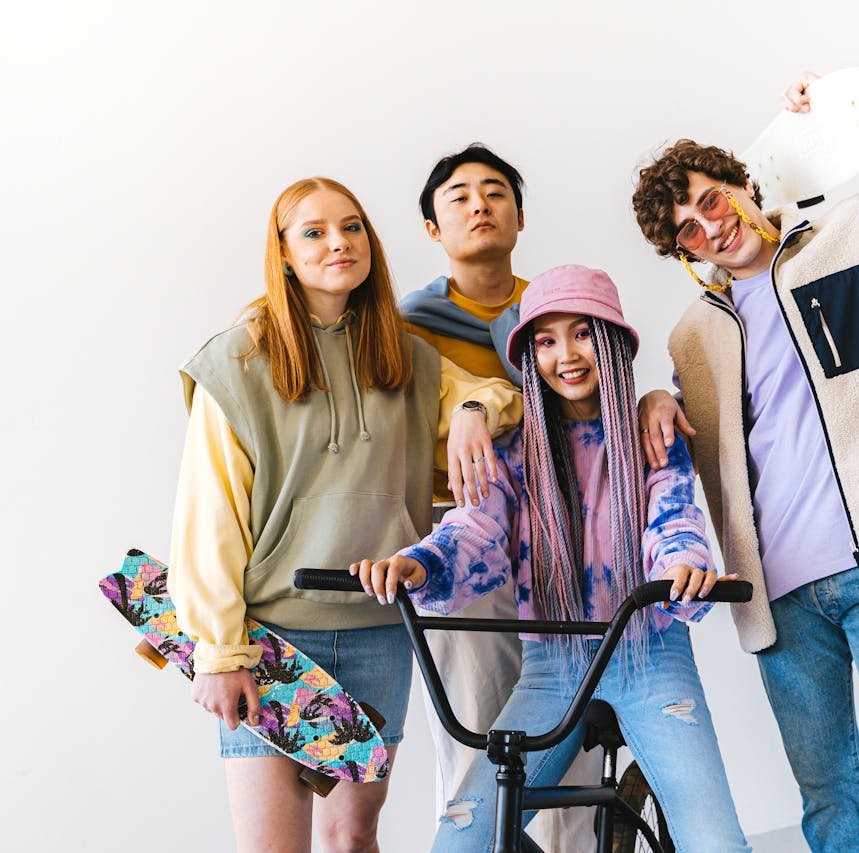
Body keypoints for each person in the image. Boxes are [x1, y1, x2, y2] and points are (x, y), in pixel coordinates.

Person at [629, 75, 859, 852]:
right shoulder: (691, 339)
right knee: (831, 808)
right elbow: (704, 437)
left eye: (711, 199)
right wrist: (652, 402)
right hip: (780, 600)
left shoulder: (854, 237)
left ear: (741, 182)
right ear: (681, 252)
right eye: (686, 231)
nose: (709, 226)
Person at [170, 176, 521, 852]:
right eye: (316, 230)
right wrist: (218, 651)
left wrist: (474, 409)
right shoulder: (239, 359)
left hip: (379, 629)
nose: (340, 242)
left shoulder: (405, 356)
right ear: (284, 251)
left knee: (354, 836)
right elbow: (208, 514)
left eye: (353, 226)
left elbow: (497, 393)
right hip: (272, 640)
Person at [353, 265, 751, 853]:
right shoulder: (514, 452)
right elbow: (475, 527)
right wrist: (421, 563)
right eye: (545, 340)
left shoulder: (652, 437)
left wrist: (679, 569)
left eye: (583, 333)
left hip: (650, 653)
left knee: (715, 841)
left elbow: (674, 518)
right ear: (529, 355)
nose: (566, 354)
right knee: (461, 841)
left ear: (612, 342)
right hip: (553, 662)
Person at [396, 144, 682, 848]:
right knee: (475, 739)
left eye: (495, 192)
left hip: (566, 538)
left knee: (571, 728)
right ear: (432, 227)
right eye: (457, 195)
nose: (478, 204)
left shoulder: (557, 311)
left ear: (519, 216)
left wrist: (650, 398)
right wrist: (479, 404)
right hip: (463, 540)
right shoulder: (405, 330)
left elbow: (602, 398)